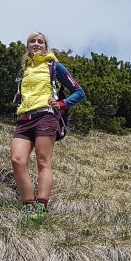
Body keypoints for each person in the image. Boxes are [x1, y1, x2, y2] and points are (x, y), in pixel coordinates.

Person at [10, 31, 85, 221]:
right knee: (17, 160)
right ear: (27, 46)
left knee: (43, 161)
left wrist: (62, 104)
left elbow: (79, 92)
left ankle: (41, 207)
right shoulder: (24, 70)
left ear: (46, 47)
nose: (36, 44)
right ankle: (28, 205)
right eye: (32, 41)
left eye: (40, 42)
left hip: (46, 116)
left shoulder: (54, 66)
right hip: (24, 119)